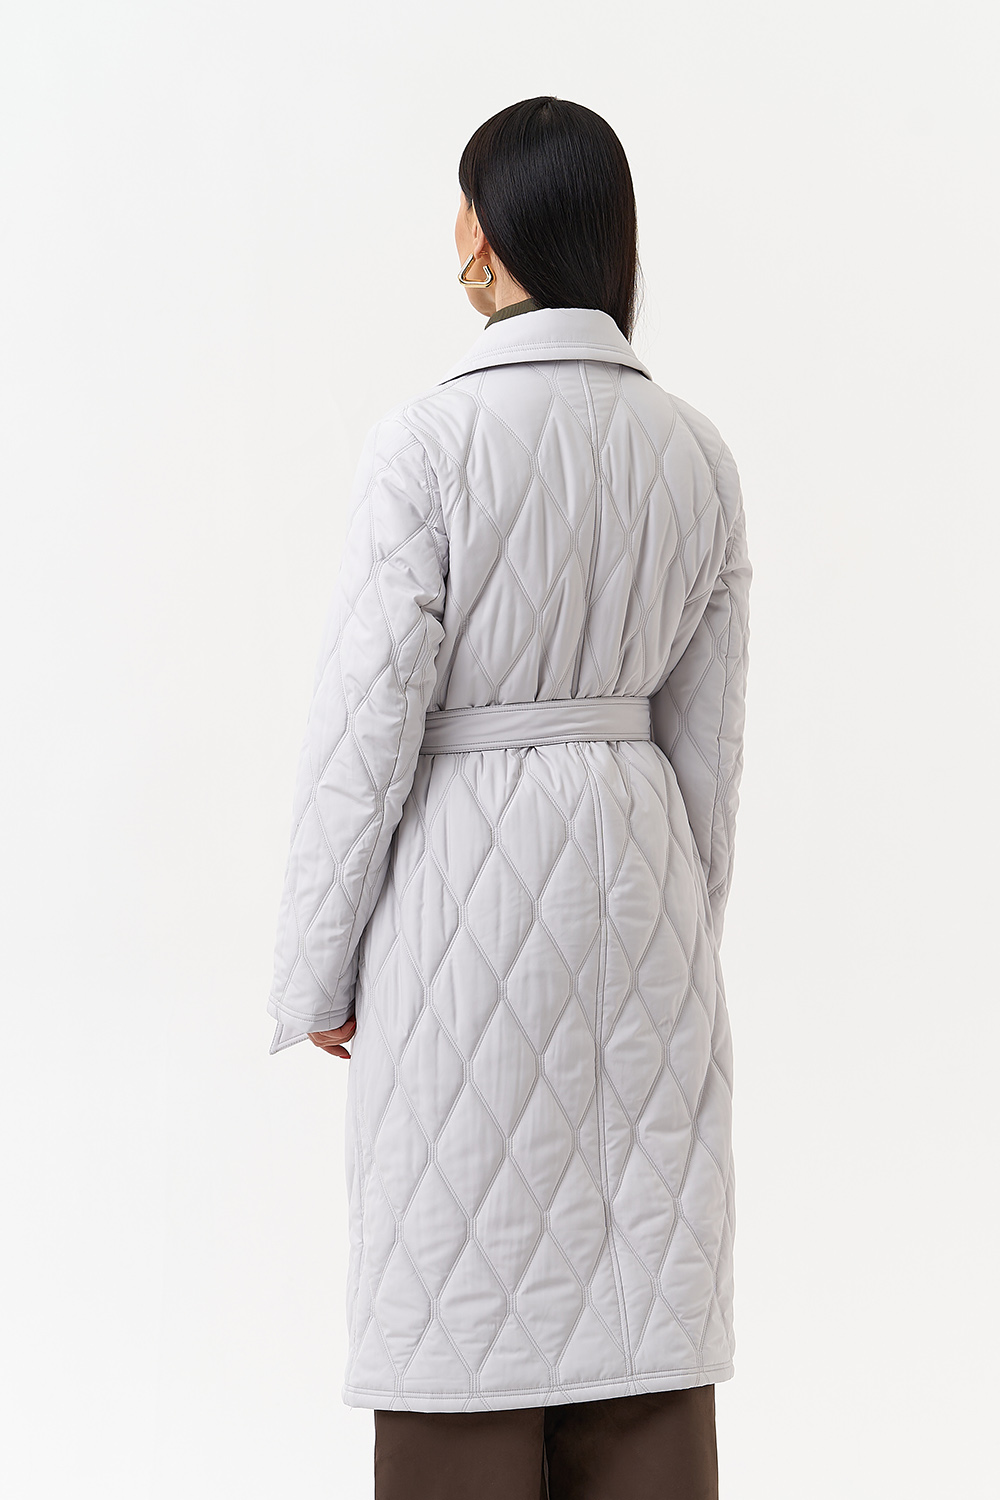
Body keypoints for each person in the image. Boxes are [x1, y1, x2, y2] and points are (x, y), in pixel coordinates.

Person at [266, 95, 752, 1500]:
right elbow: (711, 750)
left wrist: (316, 973)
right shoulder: (697, 454)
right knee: (641, 1290)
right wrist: (683, 930)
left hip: (458, 897)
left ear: (489, 232)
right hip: (643, 894)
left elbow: (362, 728)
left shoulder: (426, 446)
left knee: (460, 1275)